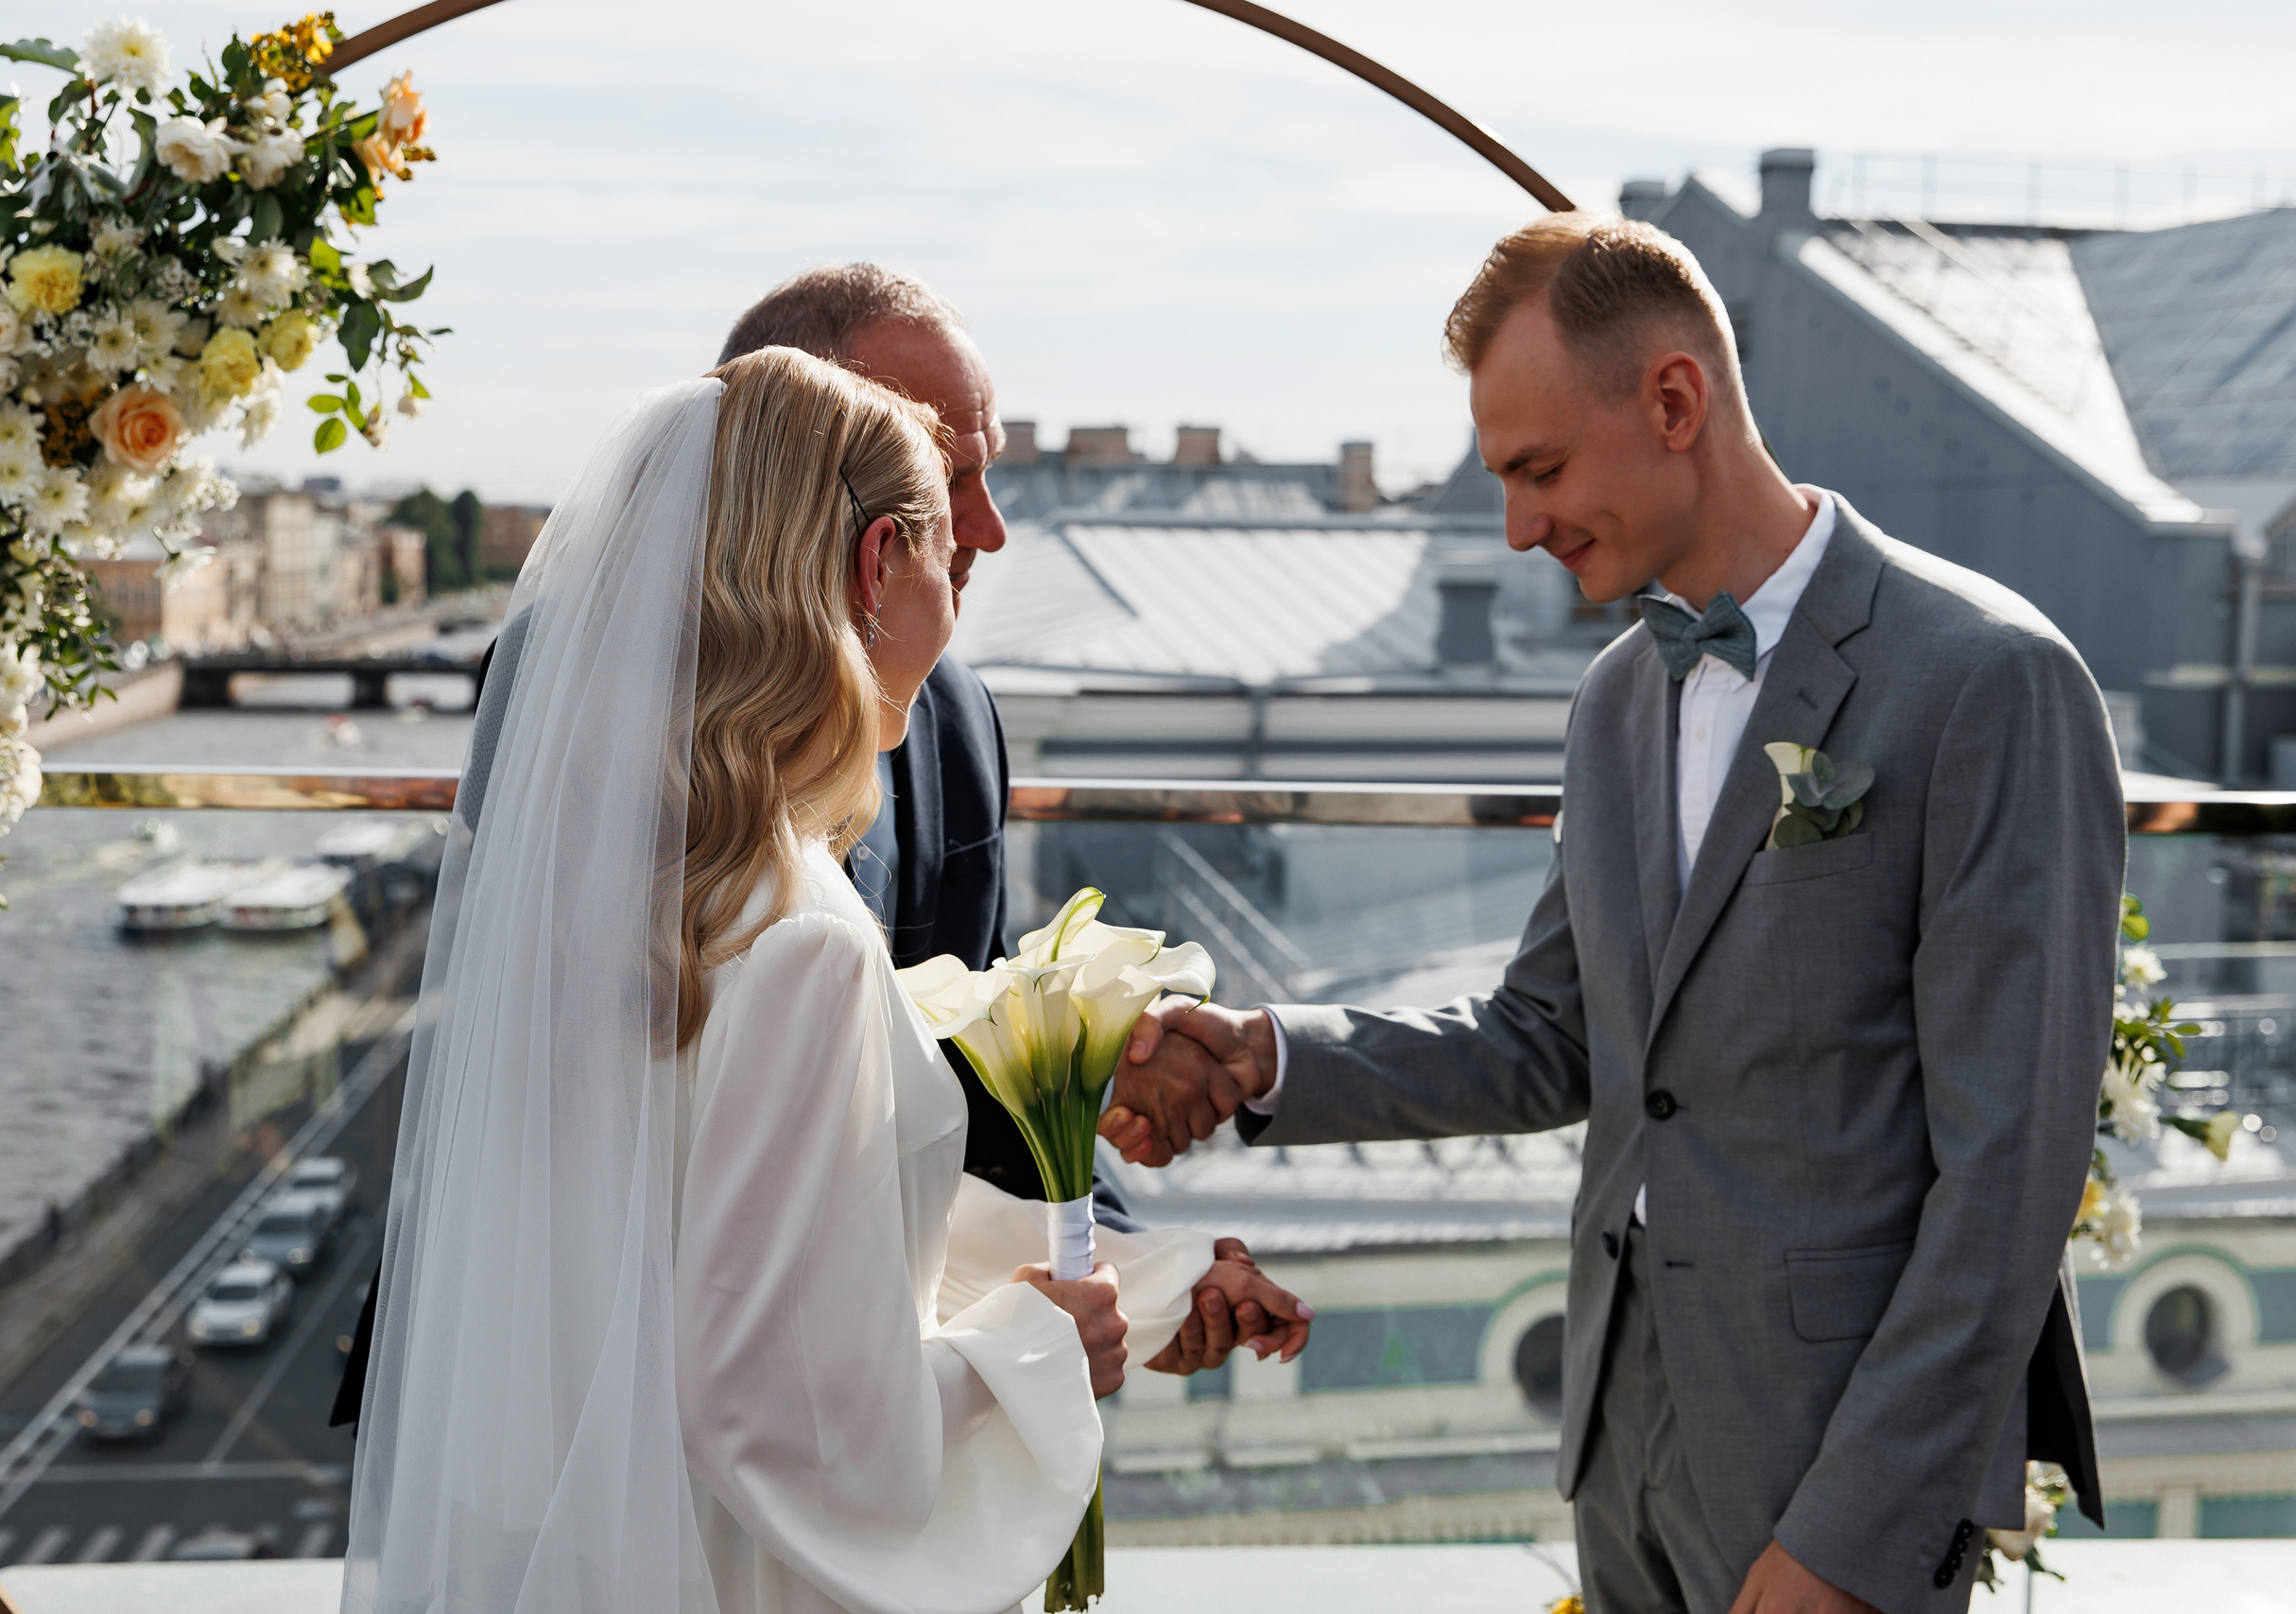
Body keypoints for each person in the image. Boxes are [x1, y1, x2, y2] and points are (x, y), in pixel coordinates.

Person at [1103, 215, 2121, 1614]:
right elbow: (1549, 1034)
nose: (1518, 525)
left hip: (1831, 1458)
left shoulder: (1989, 678)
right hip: (1616, 1434)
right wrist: (1264, 1055)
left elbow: (2009, 1175)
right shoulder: (1615, 696)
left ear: (1674, 401)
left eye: (1540, 470)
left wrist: (1857, 1529)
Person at [344, 350, 1311, 1614]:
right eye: (938, 549)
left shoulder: (625, 894)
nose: (963, 583)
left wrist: (1135, 1273)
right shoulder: (801, 932)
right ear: (874, 566)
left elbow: (722, 1249)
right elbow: (765, 1403)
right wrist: (1039, 1350)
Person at [715, 263, 1291, 1376]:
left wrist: (1129, 1269)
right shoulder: (588, 705)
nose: (988, 526)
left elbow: (958, 1070)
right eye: (947, 481)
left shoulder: (955, 716)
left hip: (852, 1373)